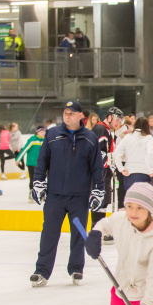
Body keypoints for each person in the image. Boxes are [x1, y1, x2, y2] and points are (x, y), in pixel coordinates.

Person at [30, 100, 104, 288]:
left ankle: (76, 268)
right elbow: (42, 161)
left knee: (78, 234)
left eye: (71, 113)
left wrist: (98, 189)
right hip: (55, 195)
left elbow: (97, 167)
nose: (67, 116)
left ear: (80, 116)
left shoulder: (90, 138)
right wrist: (38, 182)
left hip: (79, 197)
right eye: (65, 113)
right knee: (49, 234)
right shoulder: (52, 134)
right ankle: (41, 271)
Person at [91, 107, 124, 230]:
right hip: (100, 173)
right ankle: (96, 230)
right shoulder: (100, 129)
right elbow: (96, 151)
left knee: (103, 202)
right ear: (109, 117)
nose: (118, 123)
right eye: (117, 120)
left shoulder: (106, 130)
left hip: (104, 172)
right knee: (99, 201)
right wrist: (108, 161)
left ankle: (99, 230)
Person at [115, 118, 153, 198]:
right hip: (144, 173)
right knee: (143, 201)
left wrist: (121, 168)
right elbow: (149, 154)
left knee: (131, 201)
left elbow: (117, 152)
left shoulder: (127, 137)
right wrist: (150, 170)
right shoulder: (148, 138)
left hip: (129, 173)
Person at [17, 126, 46, 204]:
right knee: (33, 179)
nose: (42, 133)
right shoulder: (32, 140)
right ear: (37, 132)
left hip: (41, 164)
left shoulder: (45, 140)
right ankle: (31, 194)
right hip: (32, 163)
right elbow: (25, 149)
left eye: (44, 132)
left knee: (42, 179)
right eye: (41, 132)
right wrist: (18, 159)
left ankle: (41, 194)